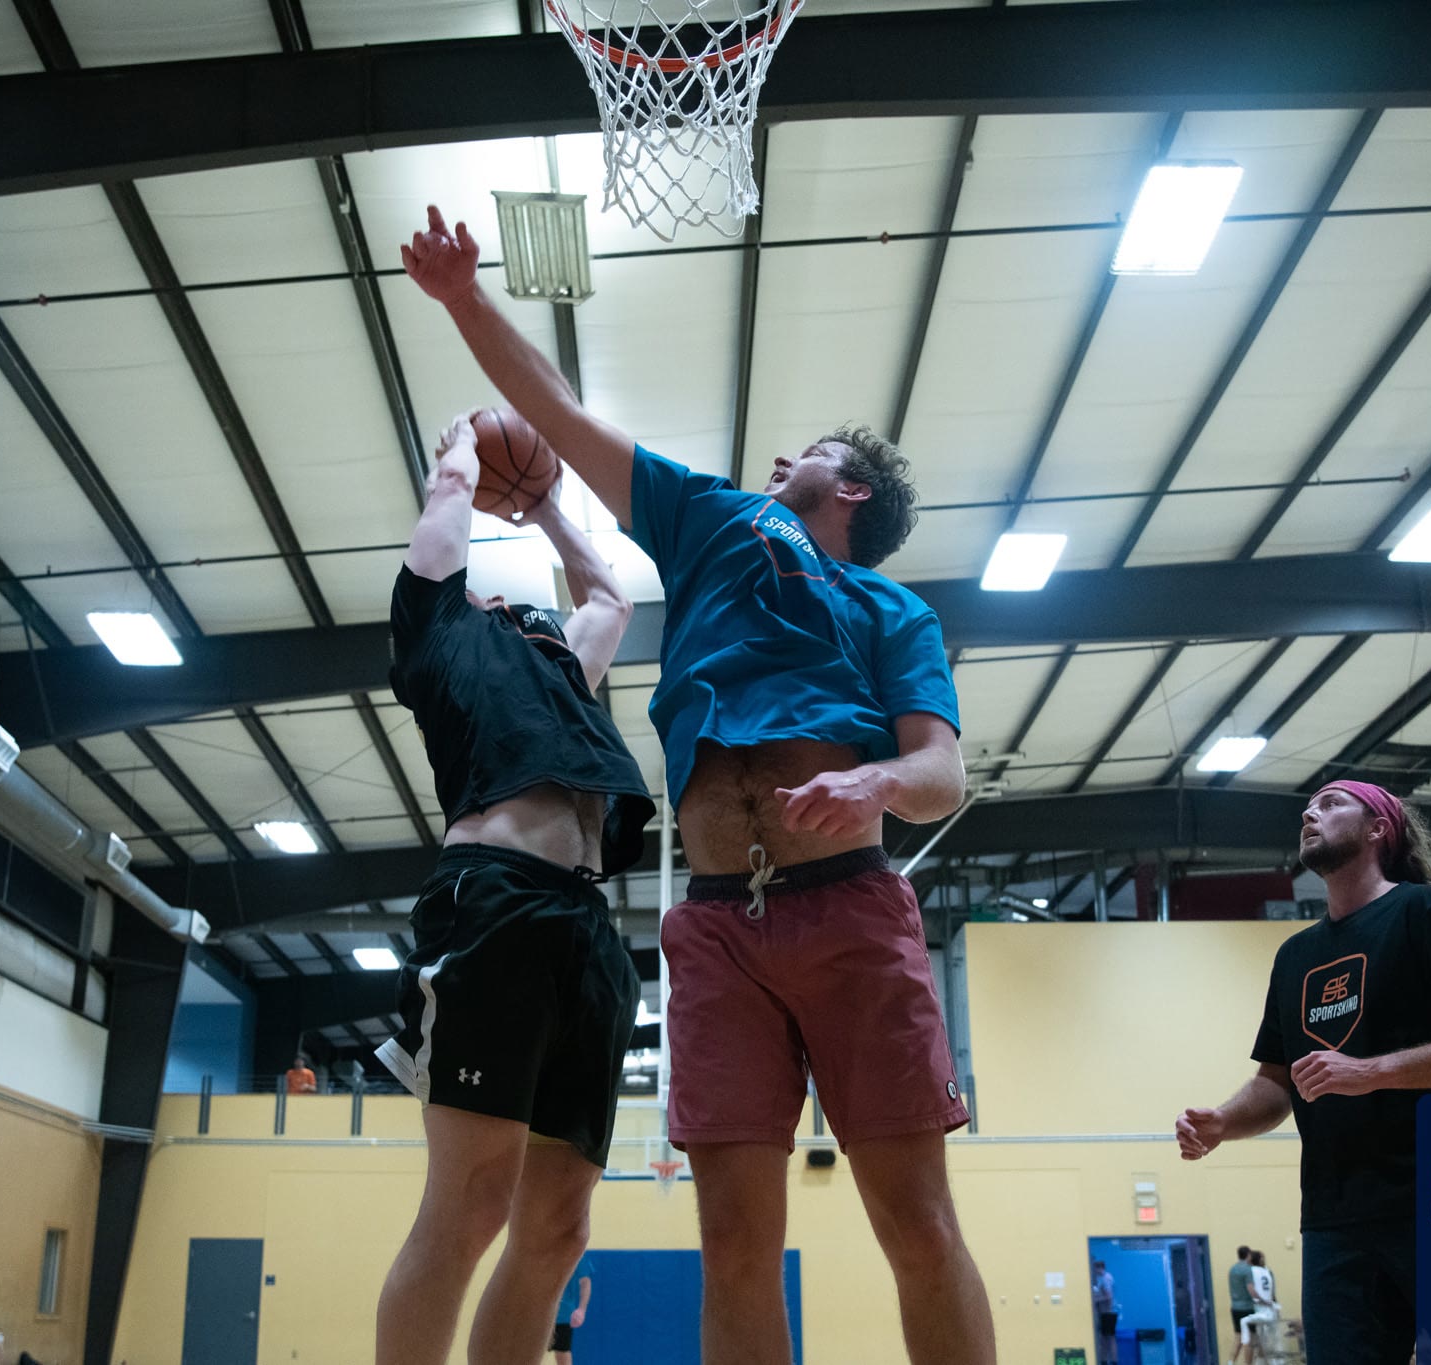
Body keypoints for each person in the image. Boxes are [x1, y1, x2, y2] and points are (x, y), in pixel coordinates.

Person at [405, 206, 989, 1365]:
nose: (780, 459)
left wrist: (873, 782)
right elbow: (561, 419)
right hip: (718, 928)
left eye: (805, 451)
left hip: (848, 909)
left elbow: (941, 774)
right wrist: (465, 299)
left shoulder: (891, 610)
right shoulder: (714, 520)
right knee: (731, 1244)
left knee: (916, 1227)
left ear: (849, 489)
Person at [372, 418, 654, 1365]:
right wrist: (461, 455)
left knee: (558, 1228)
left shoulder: (559, 663)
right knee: (470, 1204)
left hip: (587, 925)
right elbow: (448, 507)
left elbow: (611, 596)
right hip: (493, 902)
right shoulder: (440, 635)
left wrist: (546, 507)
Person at [1174, 780, 1431, 1365]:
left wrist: (1373, 1071)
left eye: (1331, 803)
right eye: (1307, 807)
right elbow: (1277, 1082)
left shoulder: (1427, 912)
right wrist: (1224, 1121)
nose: (1309, 813)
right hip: (1334, 1220)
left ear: (1378, 829)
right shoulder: (1295, 956)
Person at [550, 1253, 594, 1363]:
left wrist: (582, 1310)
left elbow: (585, 1282)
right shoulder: (539, 1252)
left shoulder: (576, 1254)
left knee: (562, 1352)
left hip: (562, 1314)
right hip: (538, 1315)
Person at [1240, 1249, 1280, 1361]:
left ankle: (1249, 1350)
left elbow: (1251, 1290)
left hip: (1259, 1309)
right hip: (1270, 1310)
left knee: (1246, 1325)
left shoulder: (1251, 1271)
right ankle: (1267, 1360)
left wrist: (1262, 1301)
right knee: (1269, 1340)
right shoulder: (1267, 1271)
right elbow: (1272, 1293)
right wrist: (1272, 1303)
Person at [1226, 1245, 1255, 1364]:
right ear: (1248, 1255)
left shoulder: (1232, 1269)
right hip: (1247, 1308)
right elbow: (1250, 1288)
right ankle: (1248, 1363)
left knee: (1238, 1336)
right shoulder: (1248, 1269)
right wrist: (1260, 1299)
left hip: (1235, 1308)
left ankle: (1230, 1362)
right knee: (1249, 1338)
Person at [1091, 1259, 1118, 1365]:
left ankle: (1113, 1361)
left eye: (1095, 1269)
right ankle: (1104, 1361)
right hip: (1105, 1312)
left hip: (1108, 1312)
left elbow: (1108, 1296)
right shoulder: (1103, 1278)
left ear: (1100, 1268)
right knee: (1104, 1338)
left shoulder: (1106, 1278)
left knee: (1110, 1338)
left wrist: (1095, 1300)